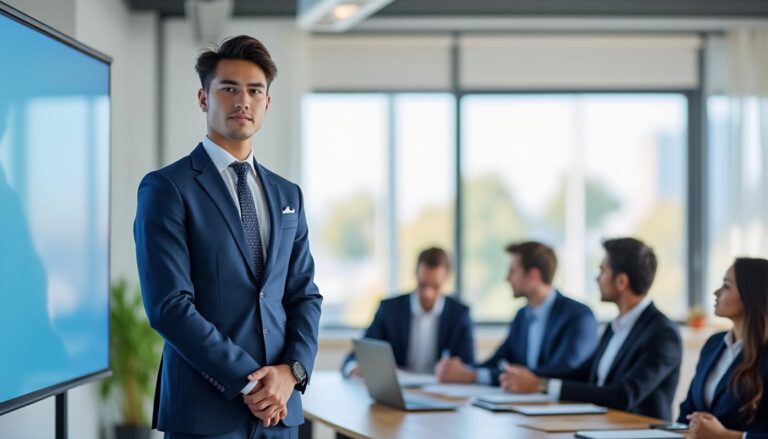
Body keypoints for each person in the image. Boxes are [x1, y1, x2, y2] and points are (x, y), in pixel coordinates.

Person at [134, 35, 322, 439]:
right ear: (204, 98)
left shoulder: (288, 195)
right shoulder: (168, 187)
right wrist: (251, 383)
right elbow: (169, 306)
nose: (243, 101)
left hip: (279, 413)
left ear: (267, 103)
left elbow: (304, 294)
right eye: (229, 88)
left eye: (255, 90)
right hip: (205, 415)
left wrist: (291, 373)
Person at [500, 237, 682, 420]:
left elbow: (624, 395)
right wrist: (529, 378)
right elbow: (581, 374)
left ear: (621, 281)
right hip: (602, 426)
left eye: (602, 271)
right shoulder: (615, 327)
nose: (597, 278)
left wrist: (541, 385)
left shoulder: (662, 334)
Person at [436, 241, 597, 385]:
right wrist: (462, 369)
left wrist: (473, 376)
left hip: (564, 412)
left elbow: (562, 371)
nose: (507, 278)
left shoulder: (577, 316)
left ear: (533, 275)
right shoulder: (522, 316)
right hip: (524, 407)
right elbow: (499, 359)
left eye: (513, 271)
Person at [341, 247, 474, 377]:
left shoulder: (459, 315)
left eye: (435, 286)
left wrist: (460, 372)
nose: (428, 293)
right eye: (423, 284)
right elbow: (358, 355)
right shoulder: (390, 310)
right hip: (398, 393)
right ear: (416, 274)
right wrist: (353, 368)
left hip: (443, 395)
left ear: (446, 280)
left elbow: (469, 366)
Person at [678, 258, 768, 439]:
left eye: (726, 286)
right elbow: (688, 408)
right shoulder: (714, 343)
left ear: (750, 294)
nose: (716, 292)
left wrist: (727, 436)